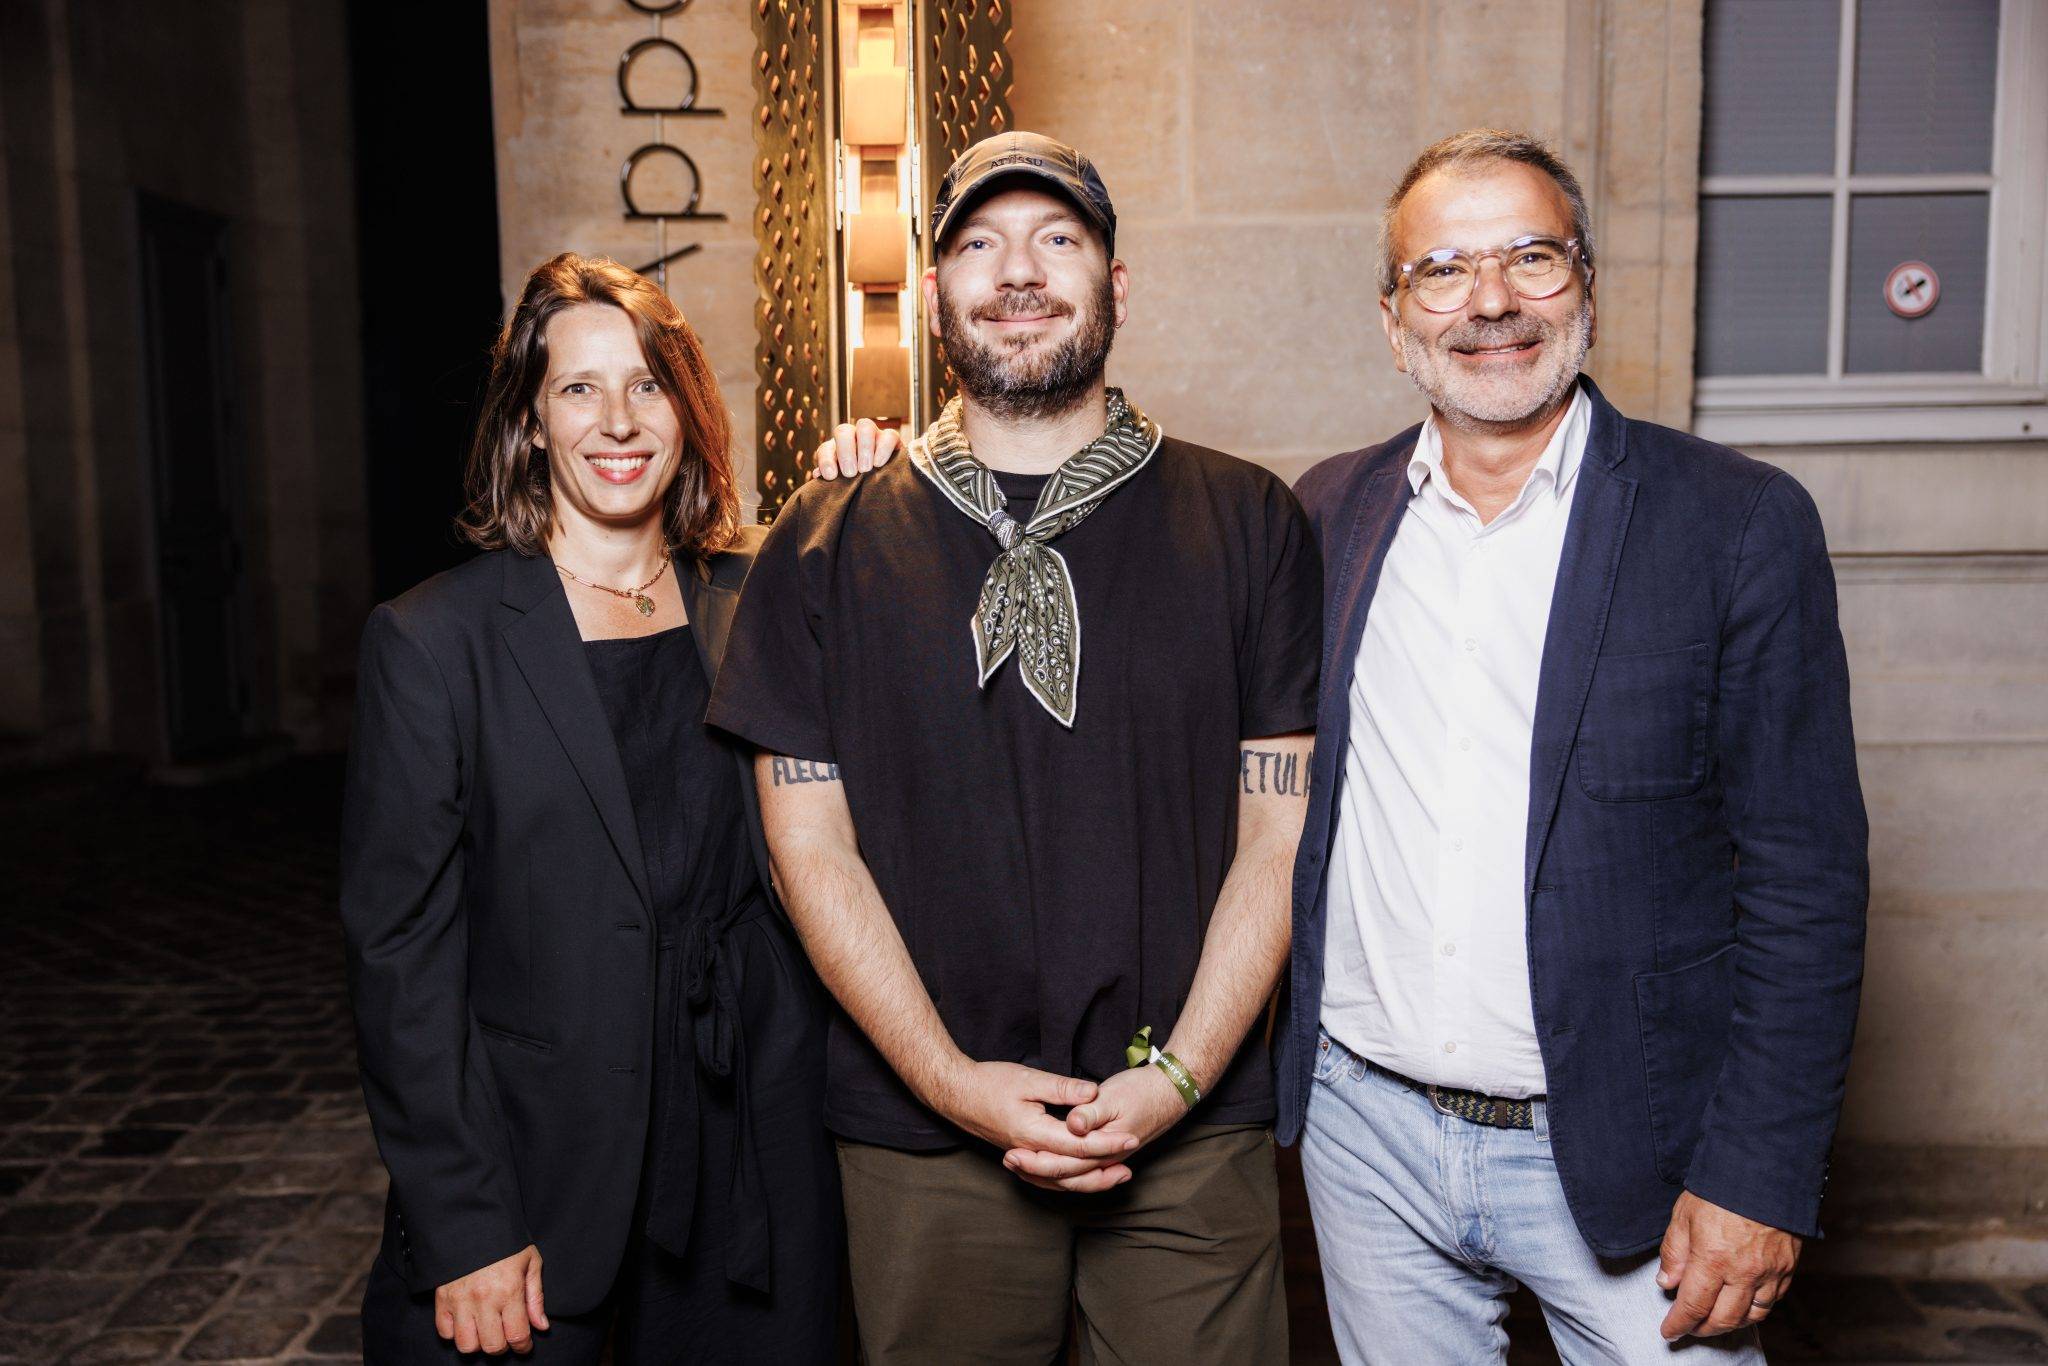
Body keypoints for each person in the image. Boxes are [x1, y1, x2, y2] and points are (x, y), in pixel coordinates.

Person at [708, 132, 1322, 1365]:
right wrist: (949, 1081)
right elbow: (807, 851)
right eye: (977, 245)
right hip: (922, 1140)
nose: (1017, 272)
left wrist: (1181, 1078)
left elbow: (1279, 834)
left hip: (1186, 1134)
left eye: (1057, 239)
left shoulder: (1251, 520)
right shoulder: (824, 540)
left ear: (1116, 284)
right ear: (931, 293)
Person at [1275, 131, 1867, 1363]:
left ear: (1584, 286)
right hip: (1364, 1138)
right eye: (1441, 270)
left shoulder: (1735, 523)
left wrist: (1756, 1176)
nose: (1489, 302)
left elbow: (1805, 880)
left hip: (1630, 1155)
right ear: (1394, 321)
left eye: (1529, 258)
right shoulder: (1325, 514)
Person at [342, 253, 838, 1362]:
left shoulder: (755, 593)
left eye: (647, 384)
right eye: (577, 388)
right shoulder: (434, 642)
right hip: (546, 1167)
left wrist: (878, 477)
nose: (617, 419)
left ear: (687, 407)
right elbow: (399, 960)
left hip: (751, 1138)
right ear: (528, 418)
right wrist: (465, 1224)